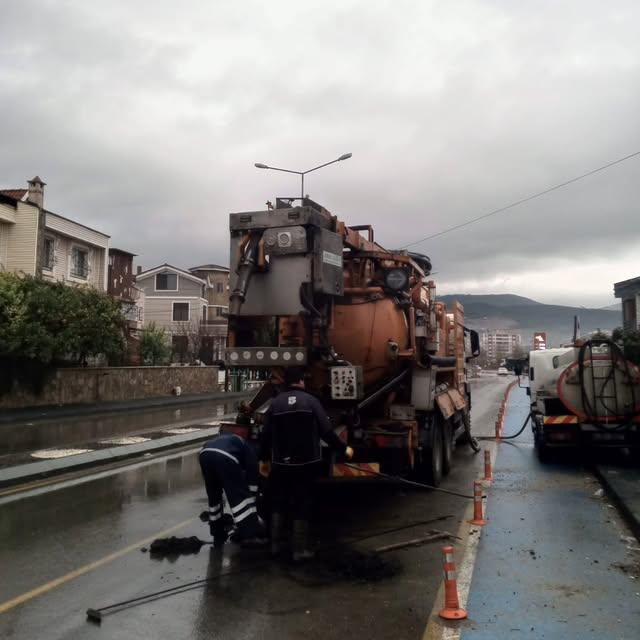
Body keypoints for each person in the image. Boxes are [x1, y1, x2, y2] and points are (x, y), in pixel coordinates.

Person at [259, 366, 354, 561]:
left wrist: (264, 459)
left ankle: (275, 546)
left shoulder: (275, 404)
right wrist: (343, 449)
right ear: (301, 381)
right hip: (306, 462)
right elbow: (326, 432)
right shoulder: (311, 402)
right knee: (302, 502)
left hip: (281, 463)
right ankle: (299, 550)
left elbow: (265, 434)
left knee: (278, 501)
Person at [199, 433, 267, 547]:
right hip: (225, 457)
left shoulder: (236, 440)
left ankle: (217, 532)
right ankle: (249, 535)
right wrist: (252, 500)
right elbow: (252, 482)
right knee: (239, 498)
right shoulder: (252, 452)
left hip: (204, 454)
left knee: (214, 495)